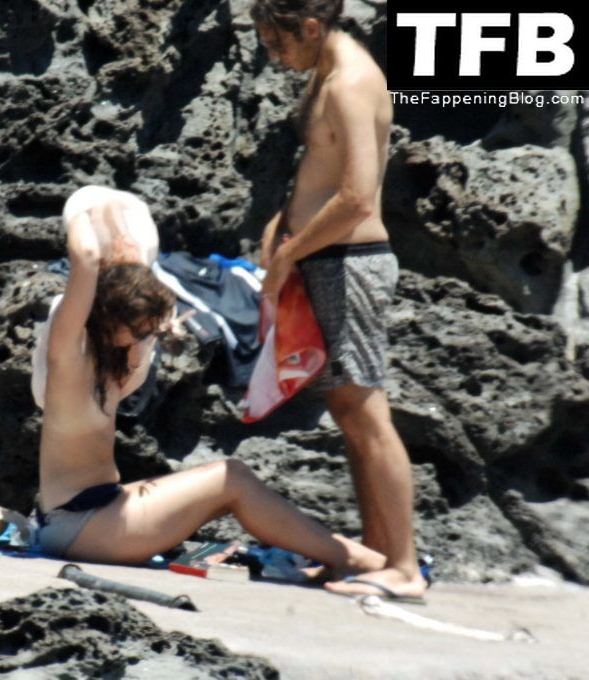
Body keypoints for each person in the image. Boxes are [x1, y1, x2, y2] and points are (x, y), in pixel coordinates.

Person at [31, 186, 385, 579]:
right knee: (232, 478)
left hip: (98, 510)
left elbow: (131, 277)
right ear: (109, 318)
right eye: (140, 330)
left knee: (229, 486)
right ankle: (355, 560)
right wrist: (85, 208)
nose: (145, 338)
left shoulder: (114, 363)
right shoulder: (69, 354)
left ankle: (342, 557)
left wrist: (120, 234)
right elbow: (86, 257)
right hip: (79, 524)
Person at [249, 0, 426, 600]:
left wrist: (287, 255)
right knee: (350, 415)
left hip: (350, 264)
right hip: (325, 262)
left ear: (310, 26)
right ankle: (372, 557)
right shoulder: (326, 75)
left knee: (367, 414)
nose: (274, 56)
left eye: (277, 43)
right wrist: (280, 230)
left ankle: (404, 567)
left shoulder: (351, 82)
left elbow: (356, 198)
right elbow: (319, 177)